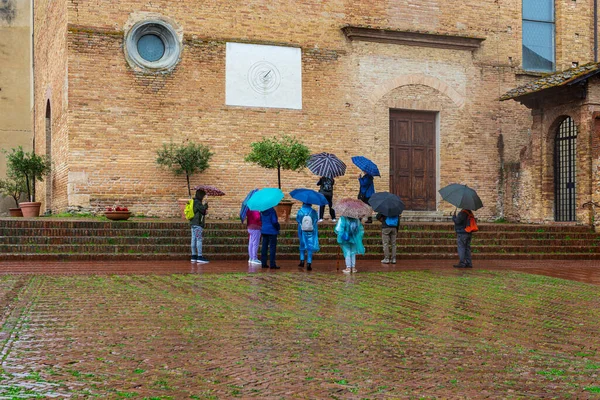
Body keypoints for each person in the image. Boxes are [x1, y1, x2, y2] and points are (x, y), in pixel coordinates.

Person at [296, 202, 319, 271]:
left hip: (302, 230)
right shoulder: (313, 212)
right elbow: (316, 220)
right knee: (310, 247)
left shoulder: (300, 211)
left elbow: (298, 220)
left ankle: (302, 261)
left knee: (302, 245)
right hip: (311, 230)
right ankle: (309, 263)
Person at [190, 189, 209, 264]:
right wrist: (206, 204)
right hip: (198, 224)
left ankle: (194, 256)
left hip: (193, 223)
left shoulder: (194, 202)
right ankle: (200, 257)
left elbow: (202, 212)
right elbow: (203, 209)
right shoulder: (198, 203)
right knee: (199, 239)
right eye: (203, 196)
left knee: (193, 239)